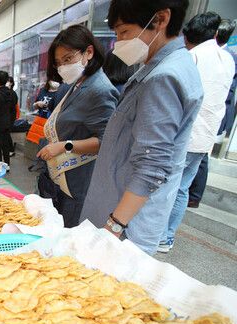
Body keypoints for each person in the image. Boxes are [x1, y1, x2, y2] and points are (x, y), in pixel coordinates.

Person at [80, 0, 204, 255]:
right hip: (118, 213)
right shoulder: (160, 67)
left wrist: (114, 226)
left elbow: (152, 165)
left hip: (123, 228)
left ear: (161, 19)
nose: (119, 42)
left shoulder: (164, 77)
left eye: (124, 31)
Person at [158, 12, 234, 252]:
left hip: (185, 136)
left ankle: (157, 235)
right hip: (205, 137)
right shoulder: (228, 58)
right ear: (214, 34)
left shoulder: (192, 57)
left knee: (165, 188)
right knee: (182, 188)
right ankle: (167, 237)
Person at [35, 25, 118, 228]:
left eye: (68, 59)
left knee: (67, 232)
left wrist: (65, 146)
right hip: (58, 176)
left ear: (88, 52)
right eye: (58, 63)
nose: (63, 67)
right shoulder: (74, 84)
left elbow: (106, 141)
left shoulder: (100, 90)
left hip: (77, 180)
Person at [189, 18, 237, 208]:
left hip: (193, 129)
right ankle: (193, 198)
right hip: (208, 126)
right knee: (184, 183)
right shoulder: (228, 58)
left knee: (174, 187)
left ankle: (194, 196)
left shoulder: (195, 55)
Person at [0, 71, 18, 165]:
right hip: (8, 124)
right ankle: (7, 165)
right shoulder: (12, 94)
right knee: (6, 145)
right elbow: (13, 110)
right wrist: (11, 123)